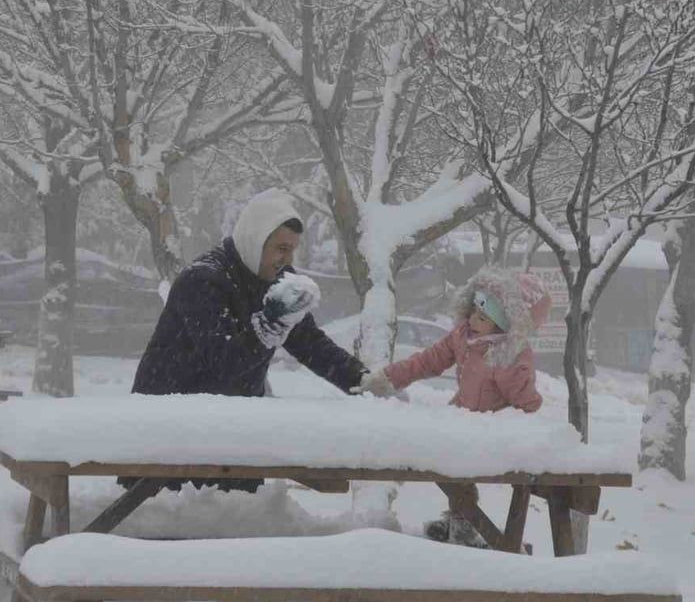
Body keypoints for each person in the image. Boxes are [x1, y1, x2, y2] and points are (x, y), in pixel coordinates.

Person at [126, 188, 369, 493]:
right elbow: (222, 362)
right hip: (170, 432)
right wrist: (269, 326)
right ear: (255, 240)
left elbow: (309, 342)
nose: (286, 259)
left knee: (237, 528)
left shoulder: (276, 280)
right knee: (182, 526)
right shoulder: (202, 280)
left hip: (233, 430)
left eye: (291, 250)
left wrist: (362, 381)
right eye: (280, 248)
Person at [354, 266, 552, 546]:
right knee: (449, 467)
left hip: (493, 431)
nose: (472, 320)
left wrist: (511, 372)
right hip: (462, 419)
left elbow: (526, 402)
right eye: (472, 311)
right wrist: (388, 378)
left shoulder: (510, 354)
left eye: (482, 317)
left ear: (504, 325)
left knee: (457, 469)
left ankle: (474, 526)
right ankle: (462, 519)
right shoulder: (462, 336)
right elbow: (428, 361)